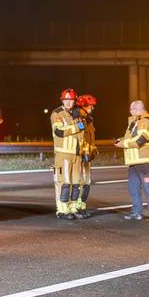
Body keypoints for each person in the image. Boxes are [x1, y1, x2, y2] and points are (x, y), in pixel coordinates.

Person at [115, 100, 149, 221]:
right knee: (133, 189)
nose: (130, 111)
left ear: (137, 109)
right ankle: (137, 213)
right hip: (134, 161)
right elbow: (131, 137)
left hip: (145, 161)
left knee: (148, 188)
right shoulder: (135, 121)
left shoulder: (147, 120)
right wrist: (121, 140)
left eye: (131, 109)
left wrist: (123, 144)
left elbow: (141, 140)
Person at [50, 88, 85, 220]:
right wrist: (76, 127)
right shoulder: (57, 113)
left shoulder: (77, 114)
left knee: (76, 183)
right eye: (66, 100)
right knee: (64, 183)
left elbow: (82, 134)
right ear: (62, 101)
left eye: (71, 100)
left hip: (76, 154)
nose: (68, 102)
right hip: (63, 154)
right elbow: (59, 131)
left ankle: (73, 208)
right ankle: (62, 210)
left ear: (75, 101)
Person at [76, 94, 99, 218]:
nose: (92, 108)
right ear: (83, 105)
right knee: (79, 182)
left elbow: (90, 138)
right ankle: (77, 207)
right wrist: (83, 152)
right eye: (91, 106)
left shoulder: (88, 120)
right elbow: (79, 138)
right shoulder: (78, 118)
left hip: (87, 156)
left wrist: (92, 150)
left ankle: (82, 206)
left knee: (86, 182)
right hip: (80, 156)